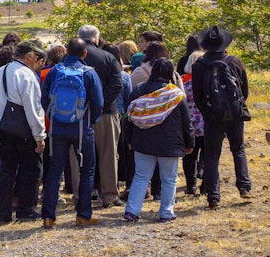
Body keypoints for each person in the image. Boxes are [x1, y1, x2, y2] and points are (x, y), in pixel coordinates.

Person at [40, 38, 104, 228]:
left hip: (58, 128)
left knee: (54, 171)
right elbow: (99, 103)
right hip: (82, 128)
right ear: (85, 54)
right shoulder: (89, 73)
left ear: (66, 51)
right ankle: (83, 215)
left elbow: (44, 98)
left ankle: (48, 216)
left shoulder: (54, 71)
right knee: (87, 170)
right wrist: (90, 121)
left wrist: (54, 116)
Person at [123, 58, 193, 222]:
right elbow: (186, 122)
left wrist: (129, 139)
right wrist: (190, 143)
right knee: (169, 179)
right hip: (169, 144)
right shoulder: (175, 94)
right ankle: (166, 212)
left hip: (142, 141)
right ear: (170, 73)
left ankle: (132, 211)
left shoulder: (139, 90)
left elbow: (128, 117)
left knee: (141, 177)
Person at [191, 25, 252, 209]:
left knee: (212, 156)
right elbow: (244, 90)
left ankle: (214, 197)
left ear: (205, 46)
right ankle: (244, 187)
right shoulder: (235, 61)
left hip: (213, 116)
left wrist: (208, 112)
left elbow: (198, 95)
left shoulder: (199, 65)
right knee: (238, 149)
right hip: (234, 114)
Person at [0, 41, 46, 224]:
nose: (37, 61)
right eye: (37, 57)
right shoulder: (26, 75)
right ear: (29, 55)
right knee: (31, 170)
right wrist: (40, 136)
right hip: (25, 130)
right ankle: (26, 210)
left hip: (5, 128)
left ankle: (3, 214)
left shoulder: (2, 71)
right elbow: (33, 108)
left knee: (7, 172)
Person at [77, 25, 123, 208]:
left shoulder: (70, 58)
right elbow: (117, 85)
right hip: (106, 113)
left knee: (78, 157)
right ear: (96, 39)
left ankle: (81, 195)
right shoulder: (108, 57)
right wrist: (101, 103)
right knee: (108, 155)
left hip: (78, 114)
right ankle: (110, 195)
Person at [181, 50, 205, 195]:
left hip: (189, 125)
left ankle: (191, 186)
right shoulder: (207, 82)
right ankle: (206, 185)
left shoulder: (184, 82)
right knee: (208, 155)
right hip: (207, 124)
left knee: (189, 155)